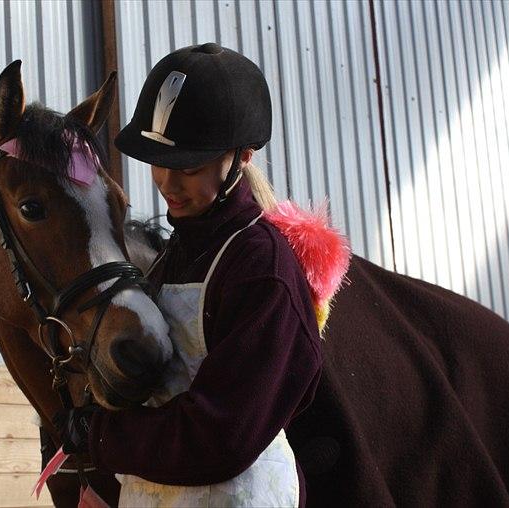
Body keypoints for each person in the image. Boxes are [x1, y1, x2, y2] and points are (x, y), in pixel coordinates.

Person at [57, 43, 324, 507]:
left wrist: (100, 437)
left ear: (242, 157)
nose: (167, 183)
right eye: (158, 163)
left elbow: (221, 434)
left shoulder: (261, 268)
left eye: (189, 168)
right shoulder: (174, 254)